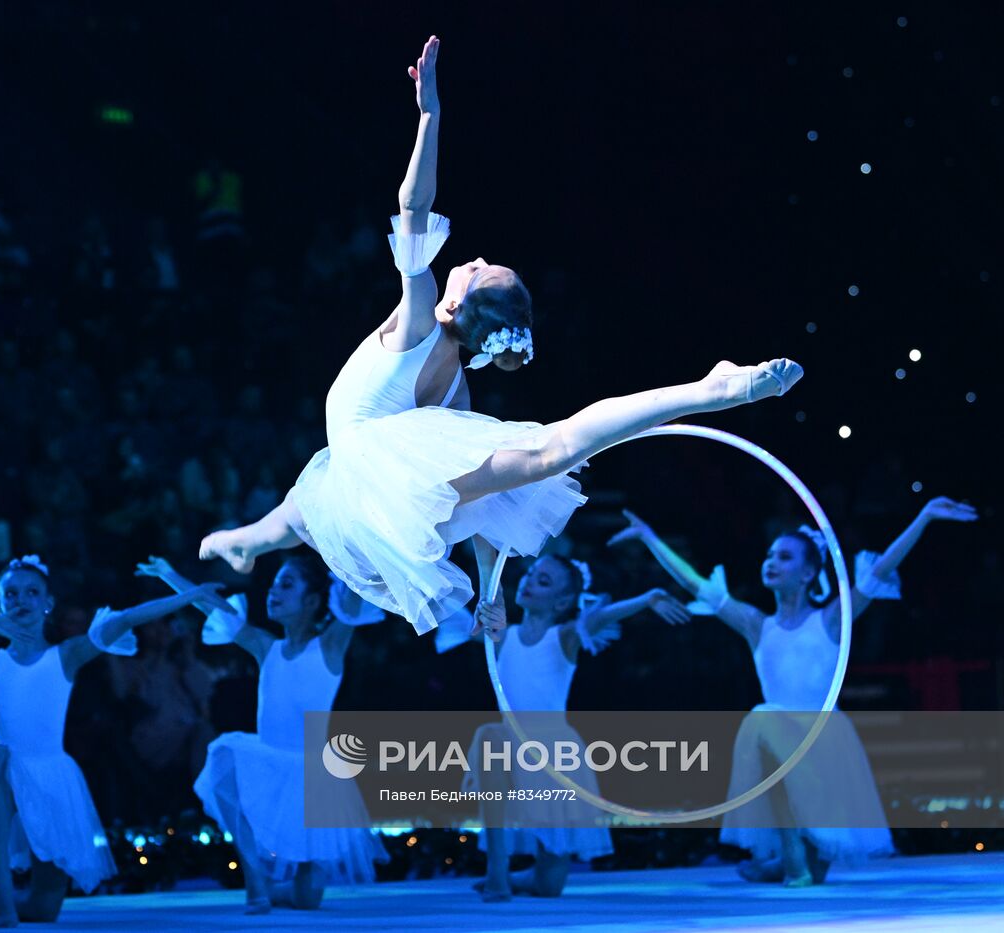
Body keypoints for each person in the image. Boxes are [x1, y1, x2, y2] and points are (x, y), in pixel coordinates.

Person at [200, 35, 801, 642]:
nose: (474, 257)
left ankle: (709, 388)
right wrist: (489, 592)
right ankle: (241, 542)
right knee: (310, 507)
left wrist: (430, 116)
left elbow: (414, 206)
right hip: (361, 473)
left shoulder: (418, 322)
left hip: (368, 463)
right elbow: (482, 501)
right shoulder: (452, 400)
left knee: (547, 453)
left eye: (477, 269)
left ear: (457, 301)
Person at [609, 496, 977, 885]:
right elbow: (693, 582)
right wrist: (649, 537)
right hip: (773, 735)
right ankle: (790, 854)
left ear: (807, 574)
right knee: (765, 719)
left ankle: (788, 860)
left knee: (817, 873)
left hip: (821, 739)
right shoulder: (756, 624)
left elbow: (880, 569)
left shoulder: (831, 620)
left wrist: (923, 517)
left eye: (784, 557)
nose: (770, 562)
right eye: (769, 555)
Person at [0, 555, 224, 927]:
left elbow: (129, 618)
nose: (21, 601)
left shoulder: (66, 655)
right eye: (11, 594)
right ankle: (1, 892)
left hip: (52, 779)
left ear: (48, 603)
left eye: (32, 592)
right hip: (4, 778)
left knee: (45, 909)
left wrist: (187, 593)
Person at [137, 553, 388, 914]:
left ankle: (274, 890)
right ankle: (255, 881)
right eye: (273, 585)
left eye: (286, 585)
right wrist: (169, 572)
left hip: (312, 775)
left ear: (313, 601)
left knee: (307, 899)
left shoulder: (330, 645)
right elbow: (214, 607)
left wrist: (351, 545)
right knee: (226, 766)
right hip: (268, 761)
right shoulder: (266, 646)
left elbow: (353, 597)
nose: (273, 592)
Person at [470, 555, 688, 900]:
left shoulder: (564, 637)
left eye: (543, 582)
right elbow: (473, 610)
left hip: (553, 753)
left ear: (562, 601)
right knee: (489, 737)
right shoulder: (501, 636)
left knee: (549, 887)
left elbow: (599, 617)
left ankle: (522, 878)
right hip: (507, 745)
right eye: (530, 574)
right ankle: (497, 871)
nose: (528, 582)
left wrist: (646, 599)